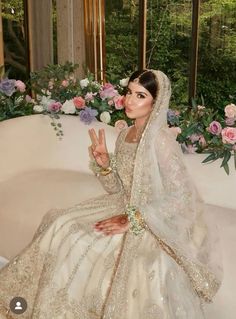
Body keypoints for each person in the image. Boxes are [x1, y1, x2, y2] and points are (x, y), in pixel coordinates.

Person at [0, 70, 222, 318]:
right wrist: (105, 164)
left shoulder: (160, 140)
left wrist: (134, 219)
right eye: (129, 93)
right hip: (121, 205)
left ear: (155, 103)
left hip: (150, 221)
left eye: (140, 95)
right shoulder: (126, 134)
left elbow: (181, 197)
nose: (130, 100)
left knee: (79, 237)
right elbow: (118, 188)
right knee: (59, 222)